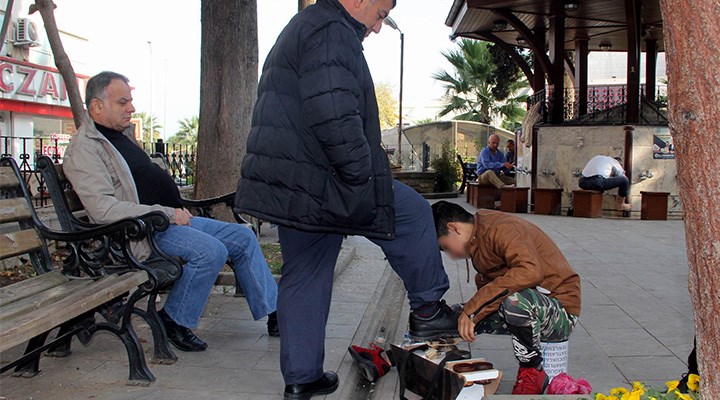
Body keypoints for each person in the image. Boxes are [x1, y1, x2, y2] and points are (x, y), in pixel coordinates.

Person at [235, 1, 458, 398]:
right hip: (324, 178)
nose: (378, 27)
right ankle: (428, 311)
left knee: (305, 273)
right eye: (381, 13)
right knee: (411, 214)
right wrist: (363, 174)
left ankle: (302, 378)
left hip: (295, 183)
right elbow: (333, 112)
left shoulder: (309, 25)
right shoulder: (330, 30)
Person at [63, 71, 279, 353]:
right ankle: (173, 319)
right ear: (97, 107)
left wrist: (170, 209)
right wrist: (165, 212)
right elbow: (104, 209)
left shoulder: (119, 137)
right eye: (123, 102)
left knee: (241, 235)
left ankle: (275, 313)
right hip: (139, 233)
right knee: (210, 250)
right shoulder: (85, 149)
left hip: (167, 222)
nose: (131, 108)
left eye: (131, 101)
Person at [430, 201, 581, 395]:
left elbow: (529, 272)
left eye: (445, 247)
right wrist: (466, 314)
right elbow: (492, 293)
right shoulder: (477, 237)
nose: (450, 255)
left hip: (559, 310)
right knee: (452, 316)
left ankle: (532, 372)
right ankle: (418, 359)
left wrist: (473, 309)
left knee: (515, 302)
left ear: (454, 228)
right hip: (525, 306)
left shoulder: (503, 228)